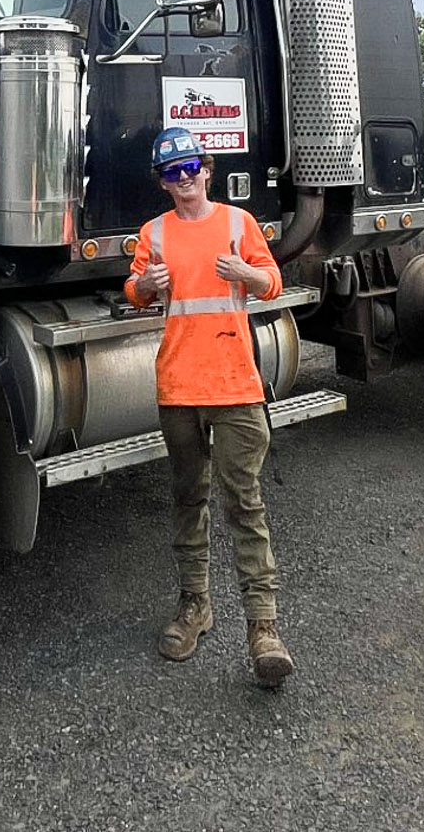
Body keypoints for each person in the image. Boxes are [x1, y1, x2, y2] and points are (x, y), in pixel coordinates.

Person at [125, 125, 295, 687]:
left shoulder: (237, 224)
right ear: (164, 184)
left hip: (235, 386)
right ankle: (195, 606)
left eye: (192, 168)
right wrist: (145, 284)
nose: (185, 179)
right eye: (173, 173)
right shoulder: (153, 233)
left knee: (243, 502)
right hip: (179, 387)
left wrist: (248, 273)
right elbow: (134, 291)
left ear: (207, 170)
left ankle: (264, 630)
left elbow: (271, 280)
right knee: (187, 498)